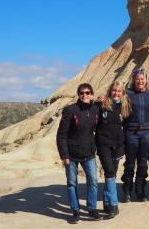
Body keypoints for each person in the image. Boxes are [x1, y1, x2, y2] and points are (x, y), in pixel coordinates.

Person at [56, 83, 103, 224]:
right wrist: (64, 155)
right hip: (71, 154)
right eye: (82, 93)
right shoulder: (70, 110)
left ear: (92, 94)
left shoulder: (96, 109)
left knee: (93, 182)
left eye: (88, 92)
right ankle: (75, 211)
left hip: (88, 153)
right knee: (71, 183)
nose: (85, 95)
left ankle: (92, 208)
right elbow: (61, 135)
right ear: (78, 94)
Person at [96, 81, 131, 218]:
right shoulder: (101, 105)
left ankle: (106, 202)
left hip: (118, 145)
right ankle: (114, 205)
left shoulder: (125, 106)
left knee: (112, 174)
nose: (116, 93)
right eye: (114, 90)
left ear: (122, 93)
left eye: (119, 91)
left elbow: (128, 123)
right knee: (110, 172)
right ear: (110, 91)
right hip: (103, 143)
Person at [121, 69, 149, 202]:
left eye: (142, 79)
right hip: (130, 132)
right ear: (133, 80)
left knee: (143, 163)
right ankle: (127, 189)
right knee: (129, 163)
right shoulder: (127, 93)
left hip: (146, 132)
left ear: (146, 80)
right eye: (137, 79)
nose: (140, 81)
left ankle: (140, 189)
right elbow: (115, 101)